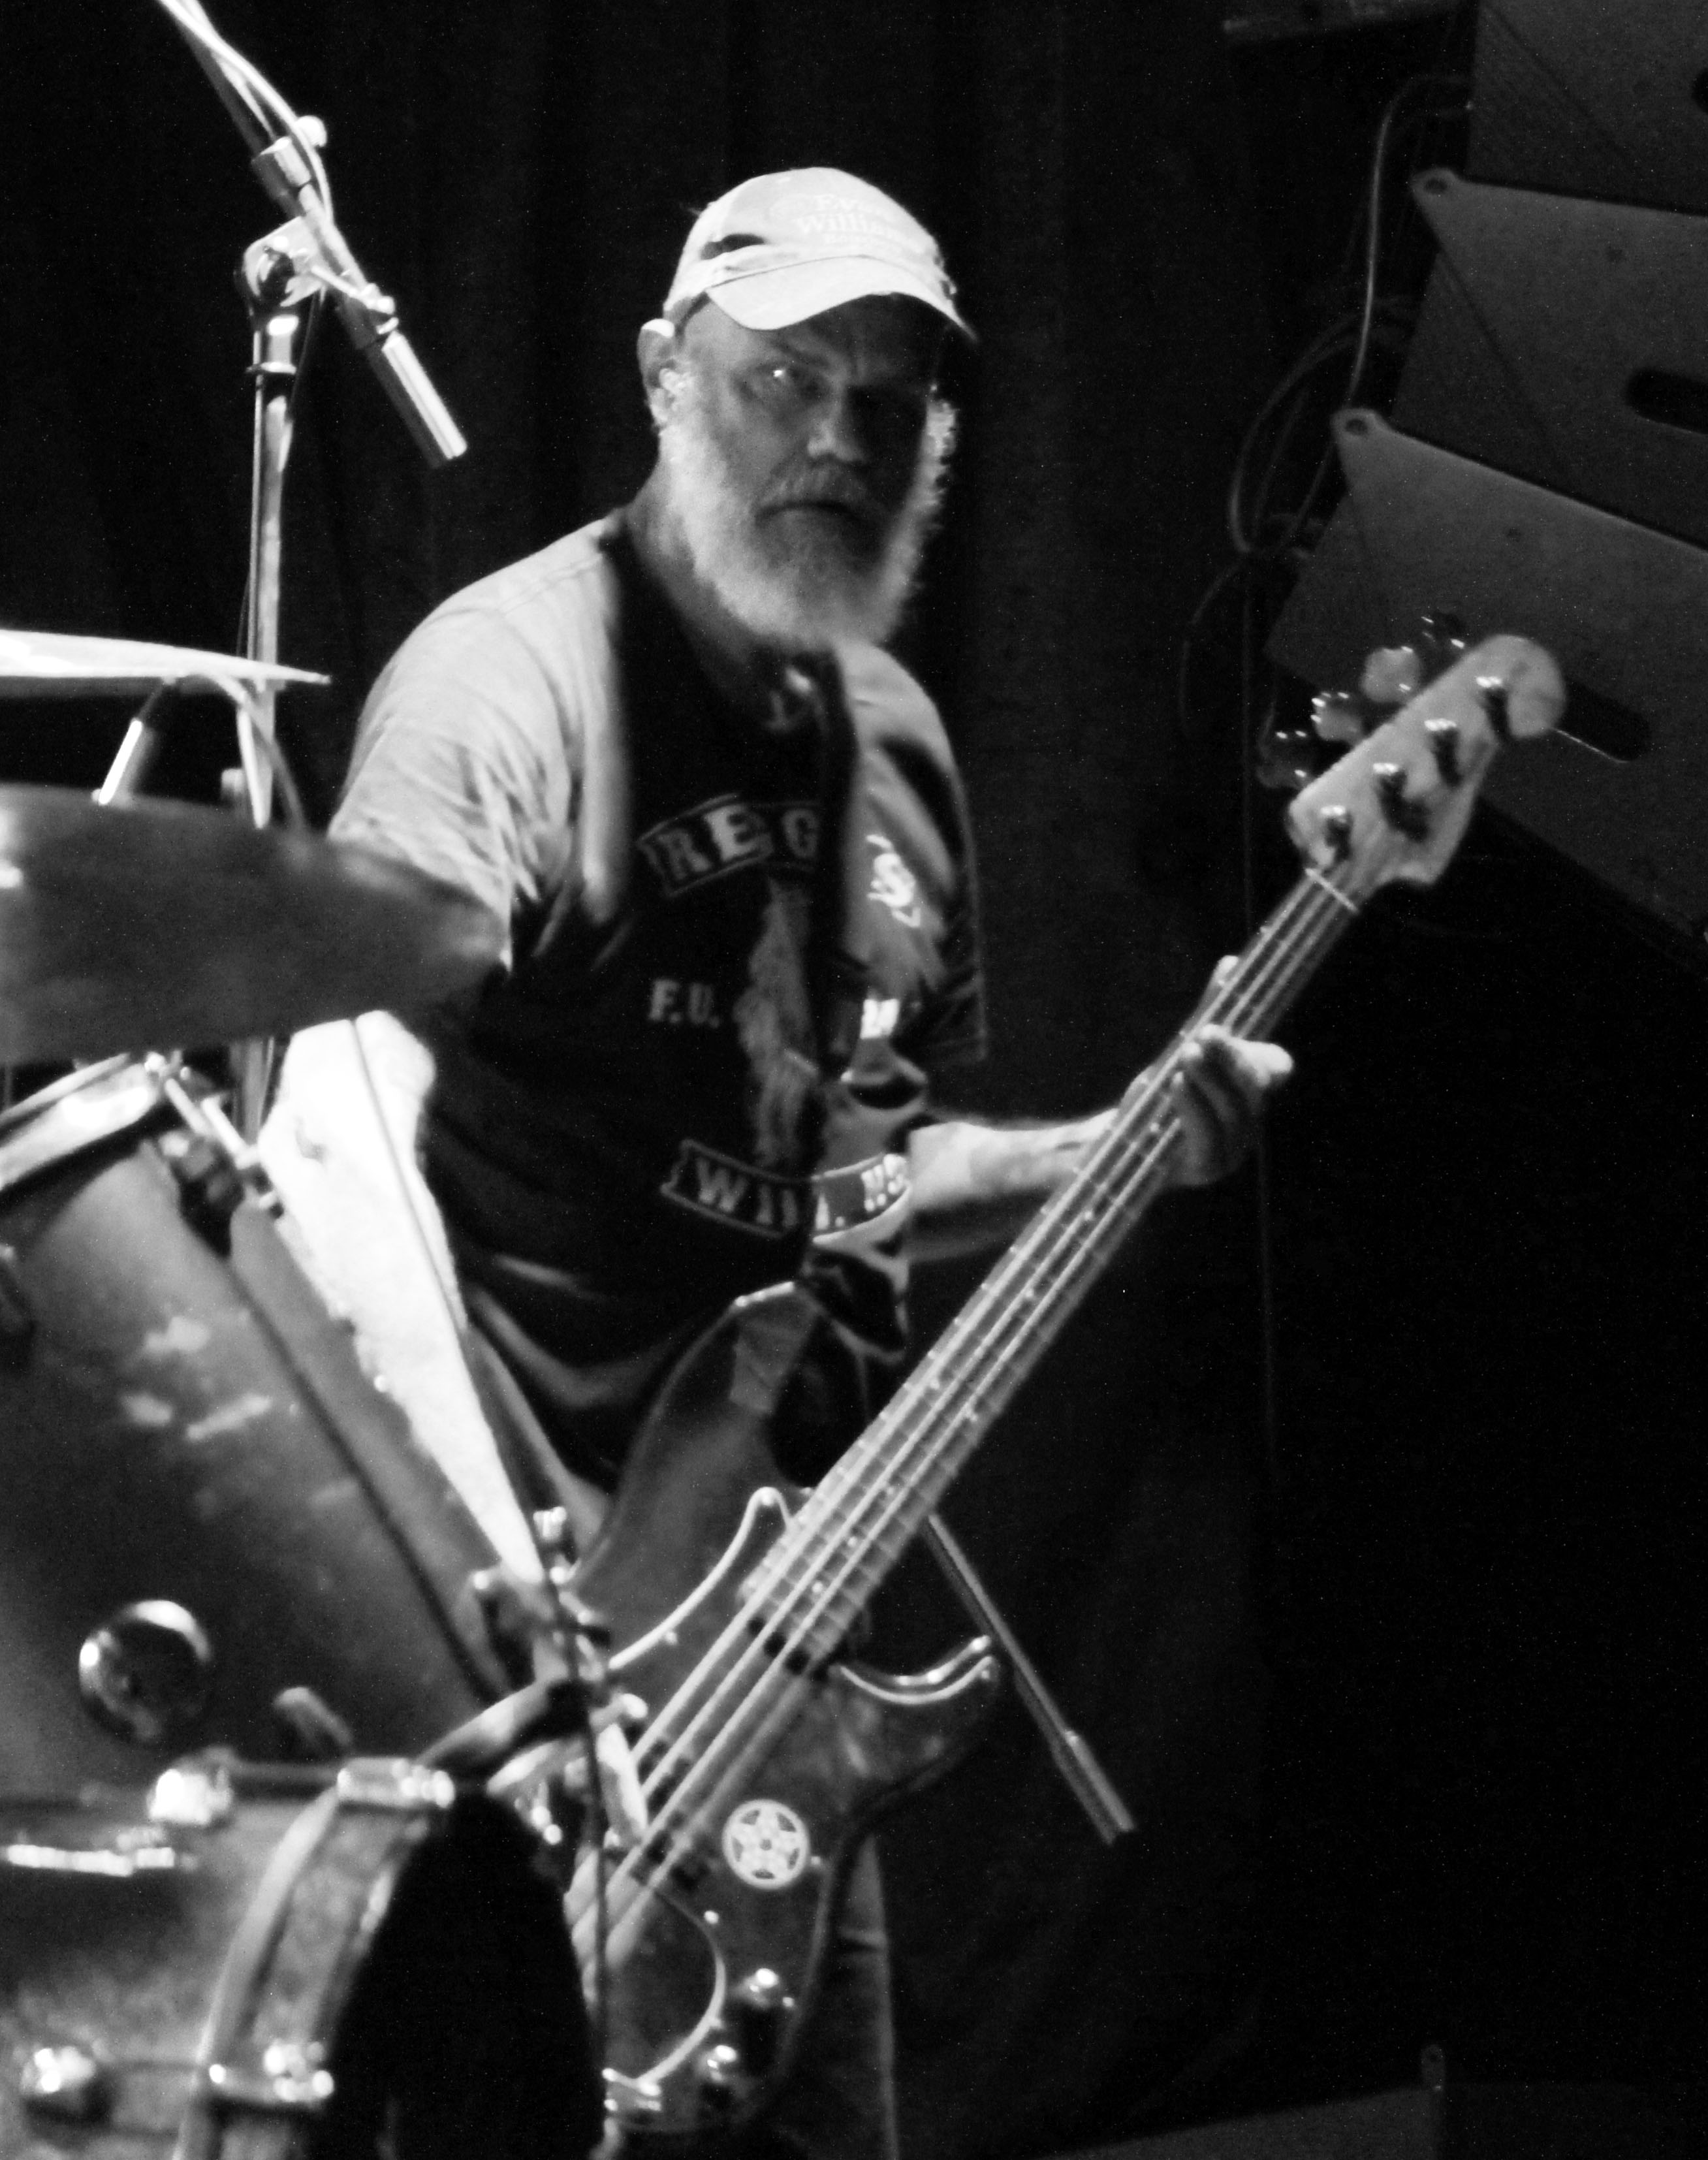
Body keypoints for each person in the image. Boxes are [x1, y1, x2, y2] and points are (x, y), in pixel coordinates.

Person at [264, 168, 1290, 2160]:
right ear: (666, 374)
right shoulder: (510, 683)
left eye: (886, 400)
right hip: (526, 1653)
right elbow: (332, 1118)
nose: (836, 437)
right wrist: (517, 1609)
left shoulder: (893, 751)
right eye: (784, 379)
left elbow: (838, 1191)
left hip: (772, 1640)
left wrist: (1108, 1152)